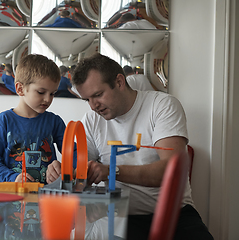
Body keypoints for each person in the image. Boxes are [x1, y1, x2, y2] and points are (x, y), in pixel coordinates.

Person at [46, 53, 213, 239]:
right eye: (87, 100)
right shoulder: (91, 121)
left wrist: (111, 171)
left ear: (119, 82)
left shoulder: (162, 105)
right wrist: (63, 172)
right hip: (118, 216)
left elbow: (172, 172)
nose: (93, 106)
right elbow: (82, 172)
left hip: (175, 214)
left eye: (98, 95)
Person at [0, 54, 67, 184]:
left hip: (44, 194)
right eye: (41, 92)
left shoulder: (55, 122)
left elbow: (72, 153)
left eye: (52, 93)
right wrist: (13, 177)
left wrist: (65, 168)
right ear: (20, 89)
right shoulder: (4, 120)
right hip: (11, 193)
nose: (48, 99)